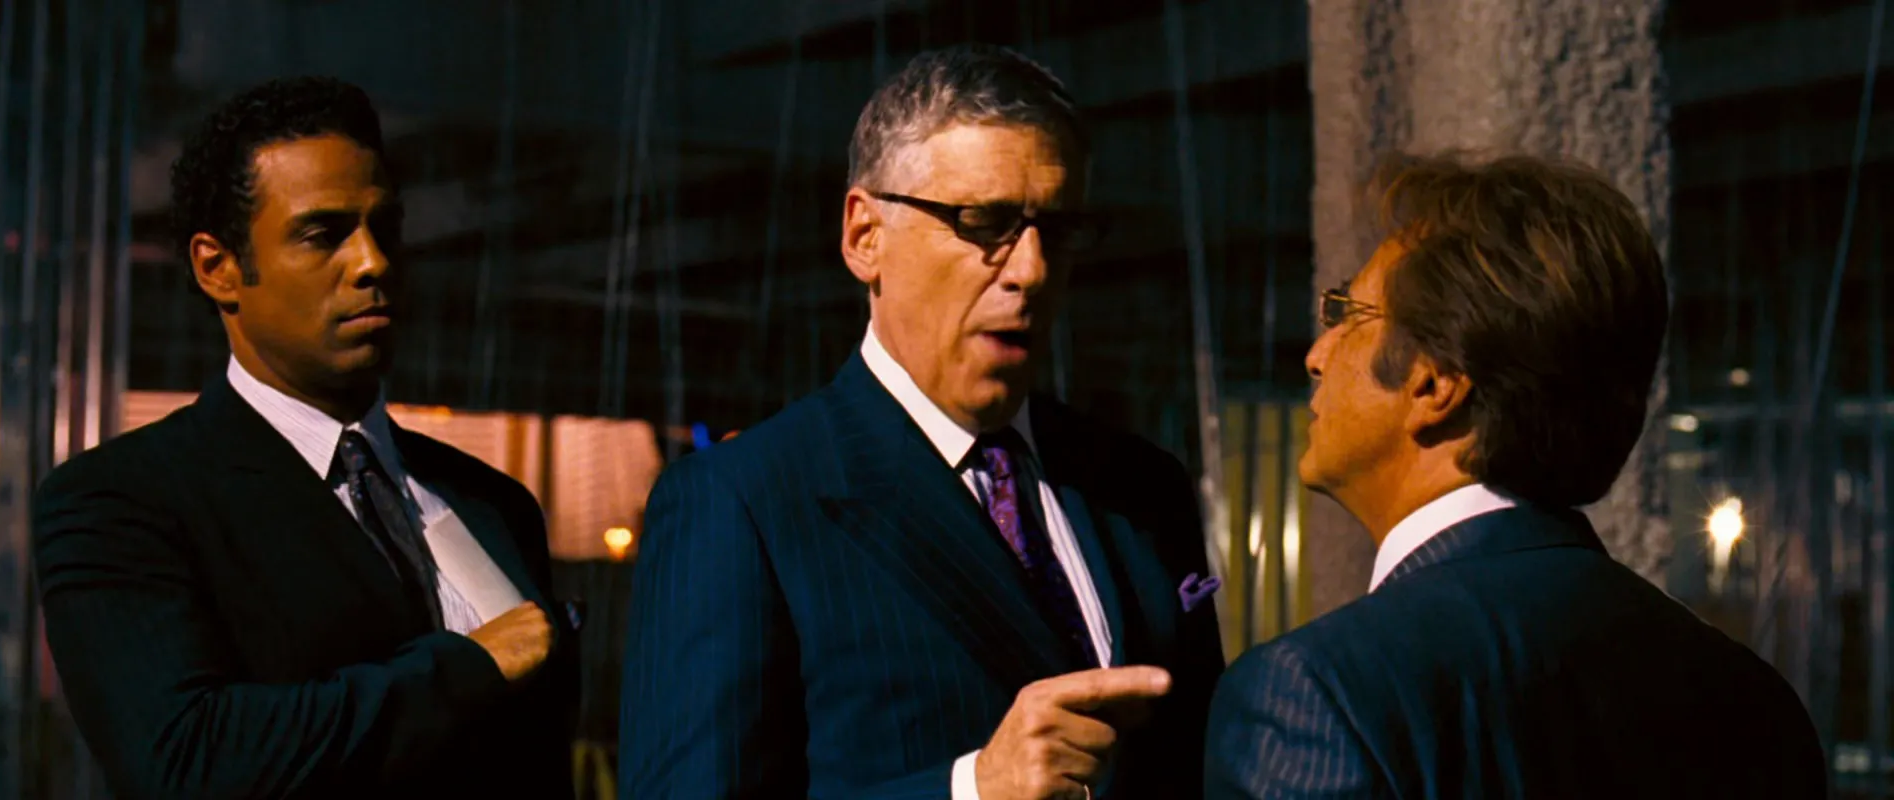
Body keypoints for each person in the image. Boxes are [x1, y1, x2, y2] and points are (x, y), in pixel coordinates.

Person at [619, 45, 1225, 799]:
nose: (1031, 269)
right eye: (985, 223)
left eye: (1057, 229)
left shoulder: (1144, 488)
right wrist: (970, 789)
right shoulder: (742, 503)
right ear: (864, 237)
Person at [1203, 152, 1827, 798]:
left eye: (1348, 314)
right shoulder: (1756, 701)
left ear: (1435, 384)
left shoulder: (1315, 696)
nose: (1316, 355)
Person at [33, 77, 576, 798]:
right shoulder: (121, 500)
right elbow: (184, 763)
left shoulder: (493, 502)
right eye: (324, 234)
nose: (373, 262)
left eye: (385, 227)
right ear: (218, 268)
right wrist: (469, 666)